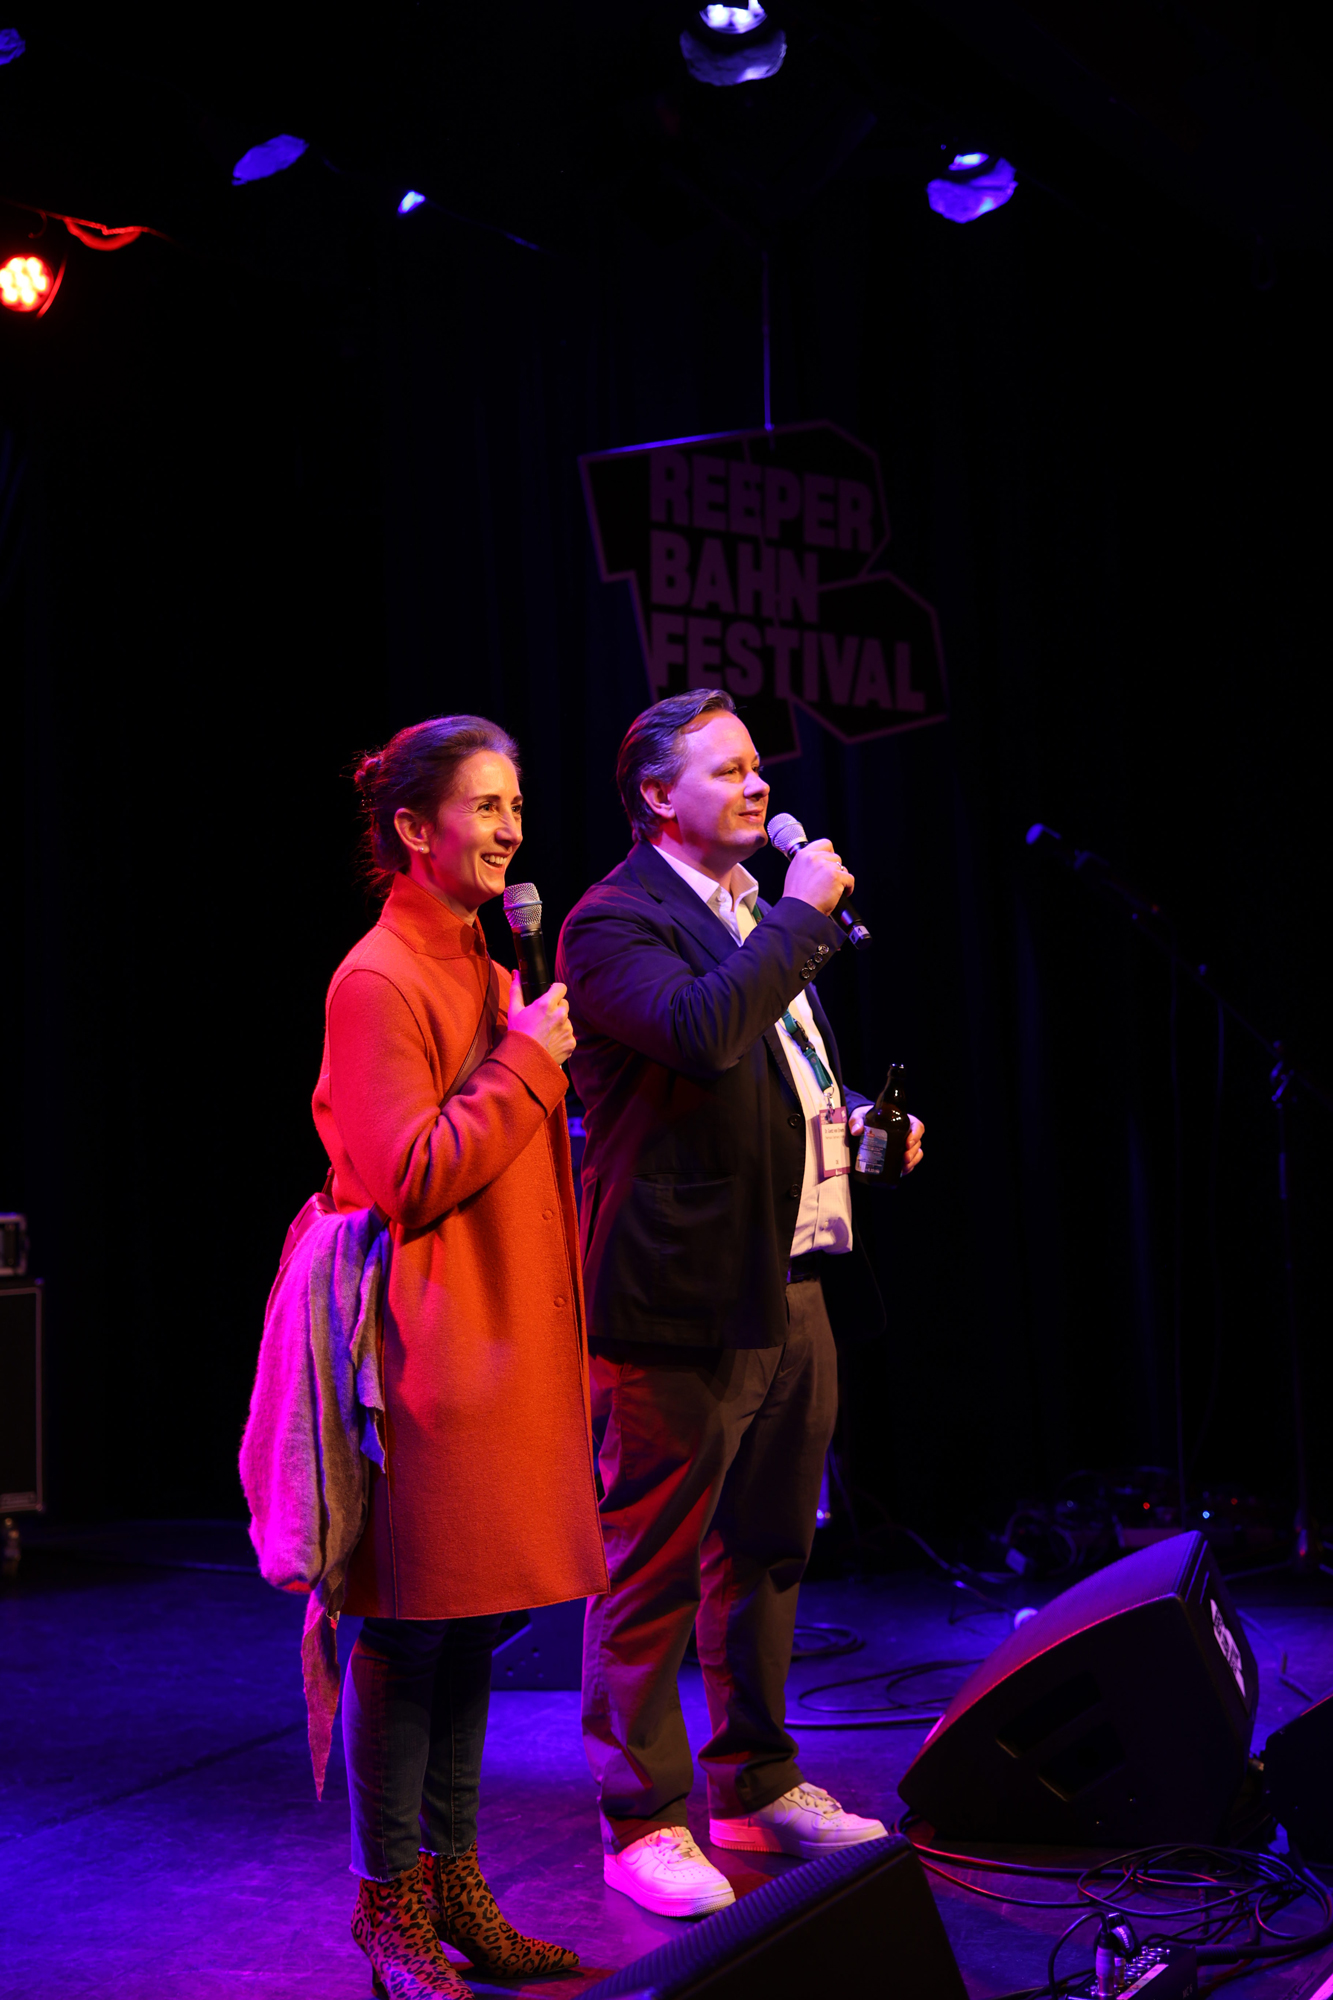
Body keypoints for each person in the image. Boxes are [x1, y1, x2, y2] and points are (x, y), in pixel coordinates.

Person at [555, 688, 924, 1919]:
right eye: (726, 769)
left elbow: (771, 1071)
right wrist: (806, 919)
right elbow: (703, 1032)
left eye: (757, 765)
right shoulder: (614, 919)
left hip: (794, 1275)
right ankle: (640, 1817)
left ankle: (753, 1781)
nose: (758, 784)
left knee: (767, 1551)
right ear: (657, 794)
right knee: (651, 1563)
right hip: (679, 1293)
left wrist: (858, 1124)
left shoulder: (753, 911)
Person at [314, 715, 608, 1998]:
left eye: (515, 805)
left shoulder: (495, 971)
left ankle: (456, 1881)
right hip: (425, 1349)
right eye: (484, 806)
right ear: (411, 827)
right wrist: (529, 1062)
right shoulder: (376, 979)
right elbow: (412, 1171)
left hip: (509, 1338)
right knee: (409, 1625)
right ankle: (389, 1903)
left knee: (476, 1623)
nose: (509, 829)